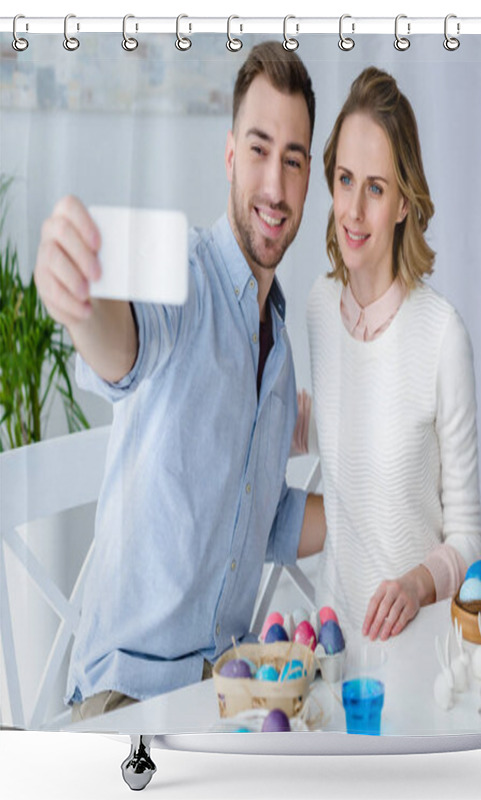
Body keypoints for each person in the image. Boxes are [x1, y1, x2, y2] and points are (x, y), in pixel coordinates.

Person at [33, 41, 326, 723]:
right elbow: (124, 350)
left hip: (225, 700)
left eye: (293, 159)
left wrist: (382, 510)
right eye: (259, 150)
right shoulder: (184, 281)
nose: (276, 188)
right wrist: (78, 301)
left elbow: (267, 521)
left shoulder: (279, 342)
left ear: (310, 173)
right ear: (229, 155)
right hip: (124, 703)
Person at [305, 67, 481, 641]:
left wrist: (412, 585)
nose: (354, 211)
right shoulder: (317, 309)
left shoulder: (441, 335)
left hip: (419, 652)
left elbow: (467, 542)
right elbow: (336, 436)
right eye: (345, 179)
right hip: (335, 650)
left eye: (376, 188)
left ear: (404, 202)